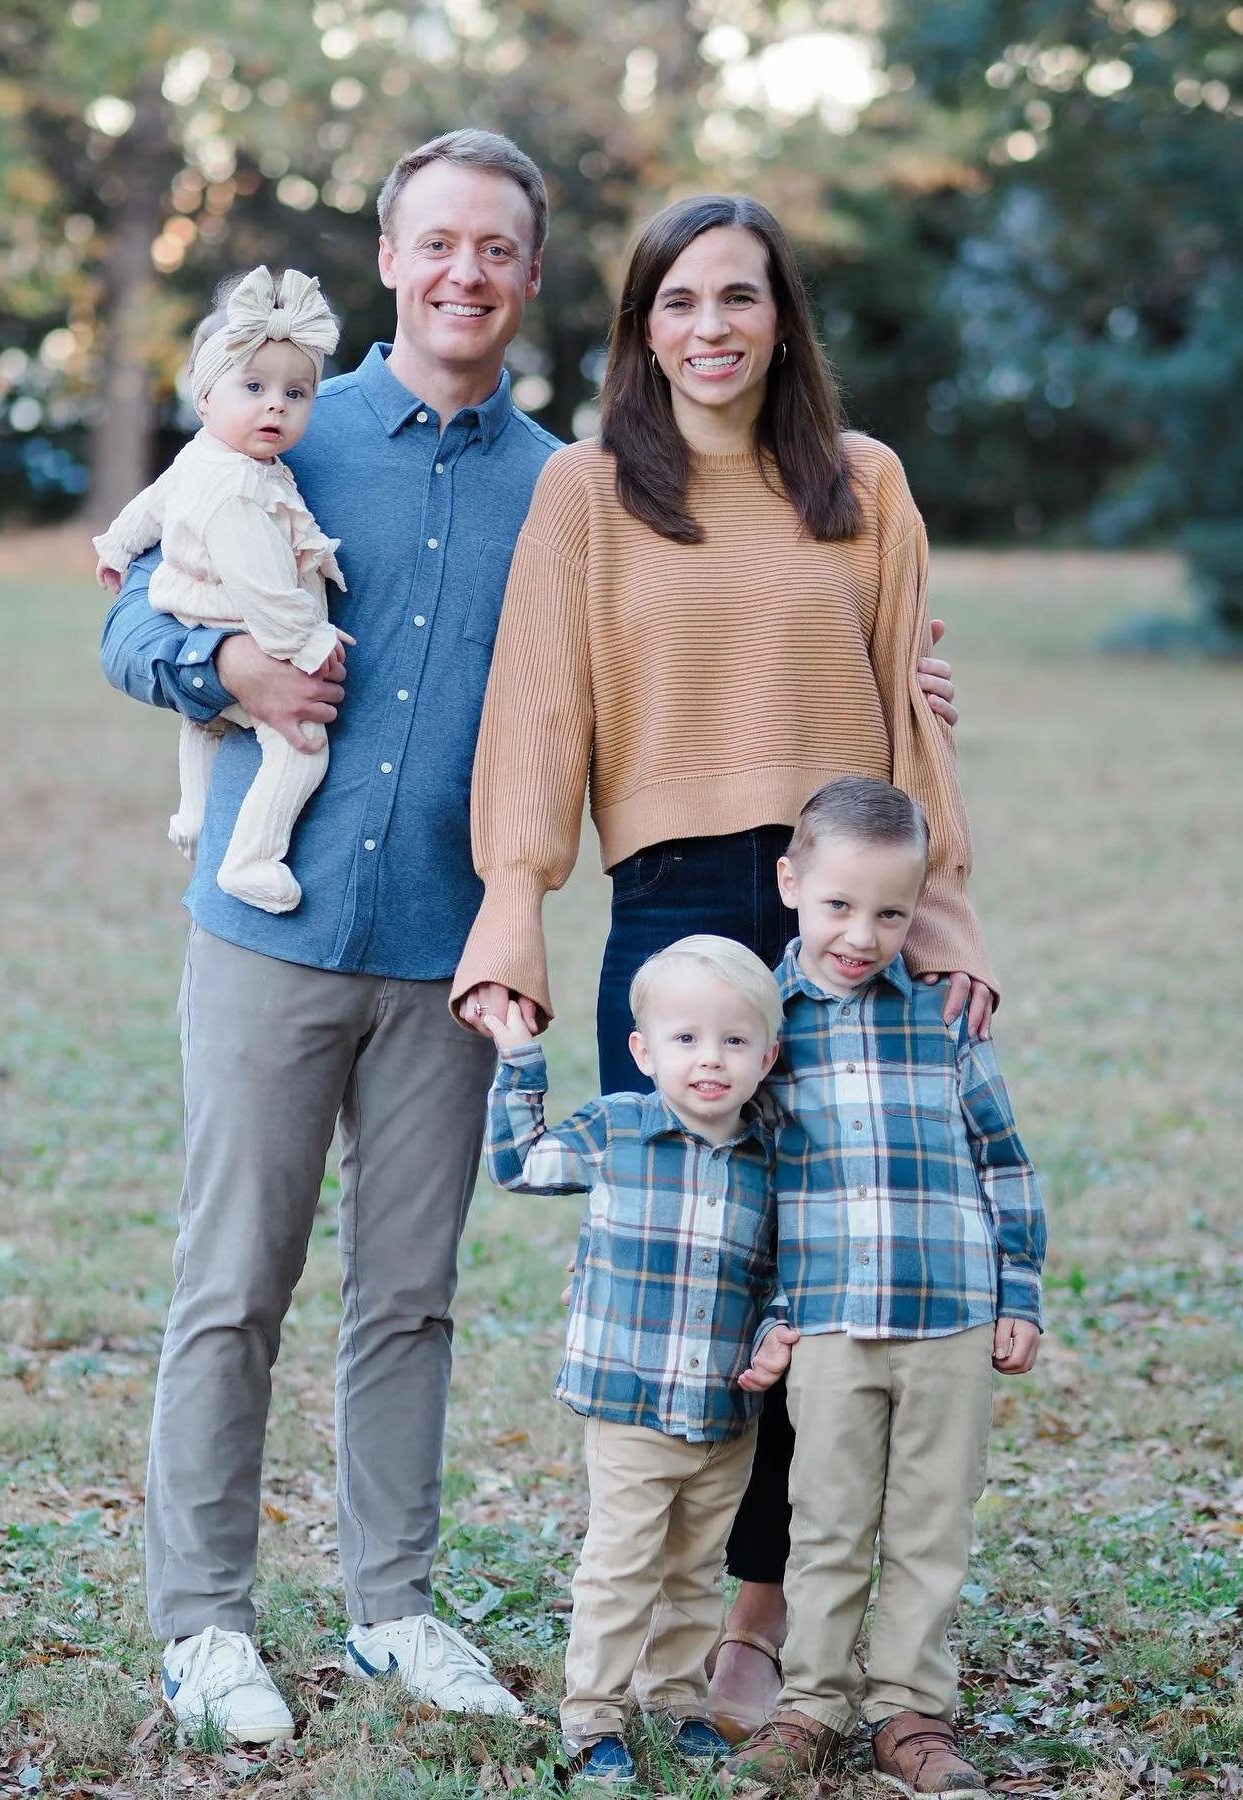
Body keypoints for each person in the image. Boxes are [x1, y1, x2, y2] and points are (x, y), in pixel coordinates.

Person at [452, 192, 992, 1741]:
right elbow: (543, 712)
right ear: (640, 327)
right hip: (673, 901)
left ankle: (763, 1624)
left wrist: (943, 916)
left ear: (782, 318)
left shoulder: (865, 484)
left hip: (837, 916)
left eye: (740, 298)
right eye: (678, 301)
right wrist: (513, 903)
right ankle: (656, 1596)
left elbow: (910, 718)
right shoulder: (590, 490)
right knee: (697, 1273)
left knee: (815, 1281)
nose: (711, 328)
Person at [99, 129, 561, 1744]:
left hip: (450, 953)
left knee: (412, 1297)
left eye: (495, 248)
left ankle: (395, 1606)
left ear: (527, 273)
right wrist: (220, 674)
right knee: (233, 1284)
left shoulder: (559, 488)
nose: (464, 273)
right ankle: (204, 1622)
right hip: (265, 933)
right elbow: (122, 617)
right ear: (391, 258)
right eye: (437, 242)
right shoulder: (284, 419)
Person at [723, 777, 1045, 1794]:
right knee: (823, 1521)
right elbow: (756, 1198)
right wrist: (772, 1321)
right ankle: (811, 1704)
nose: (863, 933)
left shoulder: (945, 1016)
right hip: (827, 1325)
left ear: (919, 909)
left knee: (931, 1520)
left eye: (892, 912)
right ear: (790, 884)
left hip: (949, 1318)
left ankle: (910, 1711)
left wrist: (1019, 1291)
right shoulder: (762, 1029)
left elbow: (1005, 1160)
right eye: (838, 905)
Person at [483, 936, 797, 1785]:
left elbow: (785, 1269)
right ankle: (592, 1715)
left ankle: (676, 1699)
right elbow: (520, 1165)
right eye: (687, 1039)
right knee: (622, 1566)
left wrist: (779, 1331)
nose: (710, 1060)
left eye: (735, 1042)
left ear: (767, 1055)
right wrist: (520, 1060)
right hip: (629, 1404)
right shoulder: (617, 1129)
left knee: (696, 1569)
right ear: (644, 1050)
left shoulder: (771, 1157)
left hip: (725, 1410)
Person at [94, 266, 347, 913]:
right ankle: (251, 857)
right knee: (301, 748)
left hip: (193, 607)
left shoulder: (205, 455)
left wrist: (116, 549)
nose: (276, 405)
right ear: (206, 397)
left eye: (296, 394)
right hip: (240, 617)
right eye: (255, 387)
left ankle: (196, 817)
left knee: (203, 722)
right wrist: (309, 638)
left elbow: (148, 506)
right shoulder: (241, 491)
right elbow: (266, 587)